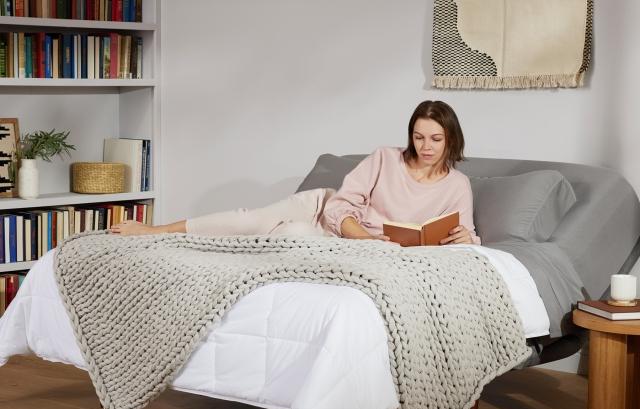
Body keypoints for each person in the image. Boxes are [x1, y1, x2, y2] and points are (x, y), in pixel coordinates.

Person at [110, 100, 480, 245]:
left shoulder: (457, 185)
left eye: (435, 138)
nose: (425, 147)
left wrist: (466, 239)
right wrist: (365, 239)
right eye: (418, 137)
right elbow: (339, 209)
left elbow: (467, 236)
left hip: (345, 243)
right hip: (323, 209)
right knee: (250, 220)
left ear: (451, 140)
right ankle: (154, 231)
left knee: (294, 237)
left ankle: (229, 252)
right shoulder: (385, 157)